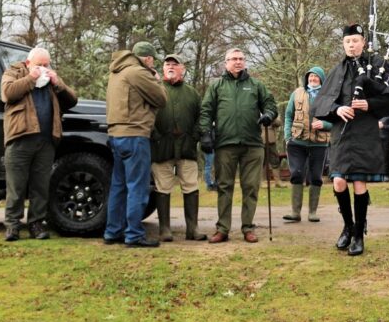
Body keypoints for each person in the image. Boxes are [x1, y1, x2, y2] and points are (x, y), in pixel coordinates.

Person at [311, 23, 389, 256]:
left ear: (363, 42)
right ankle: (347, 226)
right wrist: (337, 109)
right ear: (343, 44)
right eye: (347, 41)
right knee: (338, 182)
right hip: (342, 133)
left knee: (359, 183)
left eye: (355, 41)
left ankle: (358, 235)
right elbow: (320, 103)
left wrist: (370, 104)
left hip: (365, 131)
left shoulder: (378, 66)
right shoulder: (335, 71)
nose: (351, 45)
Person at [198, 48, 277, 244]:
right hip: (225, 144)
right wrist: (205, 134)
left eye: (241, 59)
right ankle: (222, 229)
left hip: (252, 144)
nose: (238, 62)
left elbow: (270, 104)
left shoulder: (255, 85)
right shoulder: (216, 86)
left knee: (251, 187)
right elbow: (206, 111)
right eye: (233, 59)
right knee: (224, 186)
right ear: (226, 63)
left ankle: (248, 228)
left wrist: (268, 115)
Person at [0, 47, 78, 241]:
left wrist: (58, 83)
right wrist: (31, 78)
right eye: (39, 65)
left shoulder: (51, 80)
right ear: (28, 64)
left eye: (46, 65)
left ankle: (36, 224)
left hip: (46, 141)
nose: (43, 68)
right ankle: (12, 226)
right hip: (20, 139)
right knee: (16, 187)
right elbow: (8, 94)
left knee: (40, 187)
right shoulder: (13, 73)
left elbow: (72, 100)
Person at [104, 41, 168, 248]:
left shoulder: (116, 72)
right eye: (152, 59)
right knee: (137, 187)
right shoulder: (137, 72)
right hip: (134, 135)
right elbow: (161, 99)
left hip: (116, 134)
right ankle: (133, 235)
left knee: (118, 186)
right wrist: (156, 80)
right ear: (147, 58)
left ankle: (112, 231)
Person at [150, 54, 205, 242]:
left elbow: (201, 117)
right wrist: (156, 137)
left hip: (187, 147)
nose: (171, 66)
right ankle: (165, 229)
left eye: (175, 64)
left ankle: (193, 228)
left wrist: (195, 136)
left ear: (183, 69)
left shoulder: (192, 93)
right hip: (161, 148)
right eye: (168, 64)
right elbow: (147, 114)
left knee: (190, 186)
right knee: (163, 187)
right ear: (163, 68)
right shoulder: (155, 90)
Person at [282, 66, 332, 223]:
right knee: (296, 173)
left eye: (316, 77)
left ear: (322, 80)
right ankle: (295, 212)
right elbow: (288, 116)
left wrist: (324, 124)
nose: (312, 80)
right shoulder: (297, 93)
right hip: (297, 142)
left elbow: (335, 121)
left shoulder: (329, 96)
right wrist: (287, 137)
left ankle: (312, 212)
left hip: (319, 144)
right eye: (310, 77)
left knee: (316, 177)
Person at [377, 113, 389, 181]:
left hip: (385, 138)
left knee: (385, 156)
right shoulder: (376, 113)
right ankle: (377, 175)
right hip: (375, 139)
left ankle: (385, 175)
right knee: (376, 157)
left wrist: (383, 126)